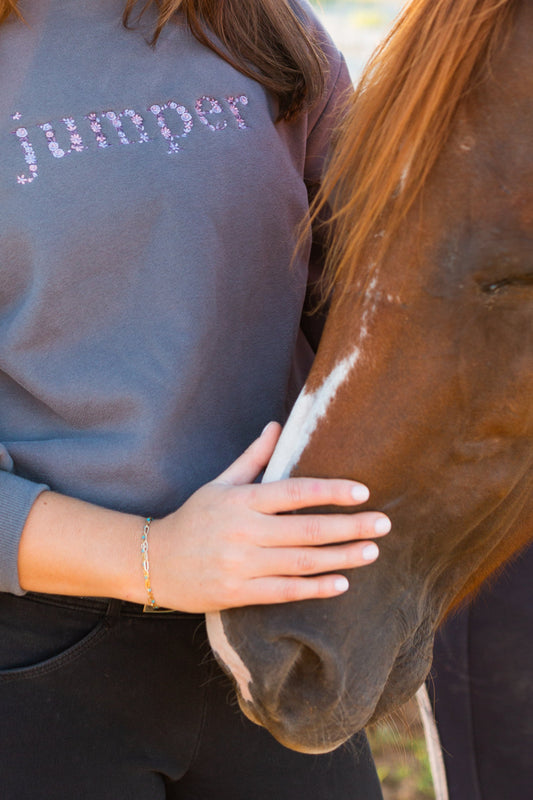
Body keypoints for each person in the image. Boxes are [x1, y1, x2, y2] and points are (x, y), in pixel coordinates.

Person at [0, 1, 391, 797]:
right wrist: (156, 558)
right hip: (33, 659)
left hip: (277, 619)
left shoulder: (261, 25)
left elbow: (378, 298)